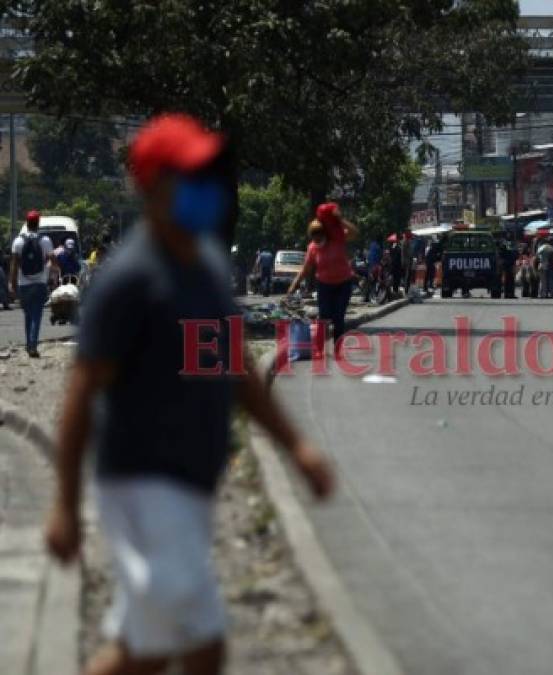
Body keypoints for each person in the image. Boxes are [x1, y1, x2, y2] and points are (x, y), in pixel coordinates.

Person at [44, 113, 334, 675]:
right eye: (190, 177)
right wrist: (63, 505)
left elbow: (235, 368)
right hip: (143, 483)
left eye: (208, 176)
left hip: (188, 483)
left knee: (186, 647)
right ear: (152, 188)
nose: (206, 190)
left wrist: (296, 447)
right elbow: (81, 394)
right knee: (162, 647)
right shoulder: (130, 279)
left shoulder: (202, 265)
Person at [289, 203, 359, 357]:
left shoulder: (337, 239)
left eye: (320, 236)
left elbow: (354, 232)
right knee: (323, 318)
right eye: (314, 237)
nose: (317, 239)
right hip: (325, 285)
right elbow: (306, 268)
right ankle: (319, 350)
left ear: (325, 234)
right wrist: (295, 284)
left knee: (338, 317)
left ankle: (337, 349)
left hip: (343, 283)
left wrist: (340, 220)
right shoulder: (313, 248)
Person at [9, 210, 55, 358]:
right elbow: (53, 261)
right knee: (37, 315)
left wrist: (12, 283)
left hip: (24, 284)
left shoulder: (18, 241)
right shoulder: (45, 240)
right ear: (38, 223)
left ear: (27, 223)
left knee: (28, 315)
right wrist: (52, 271)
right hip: (40, 283)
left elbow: (14, 265)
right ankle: (33, 346)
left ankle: (29, 345)